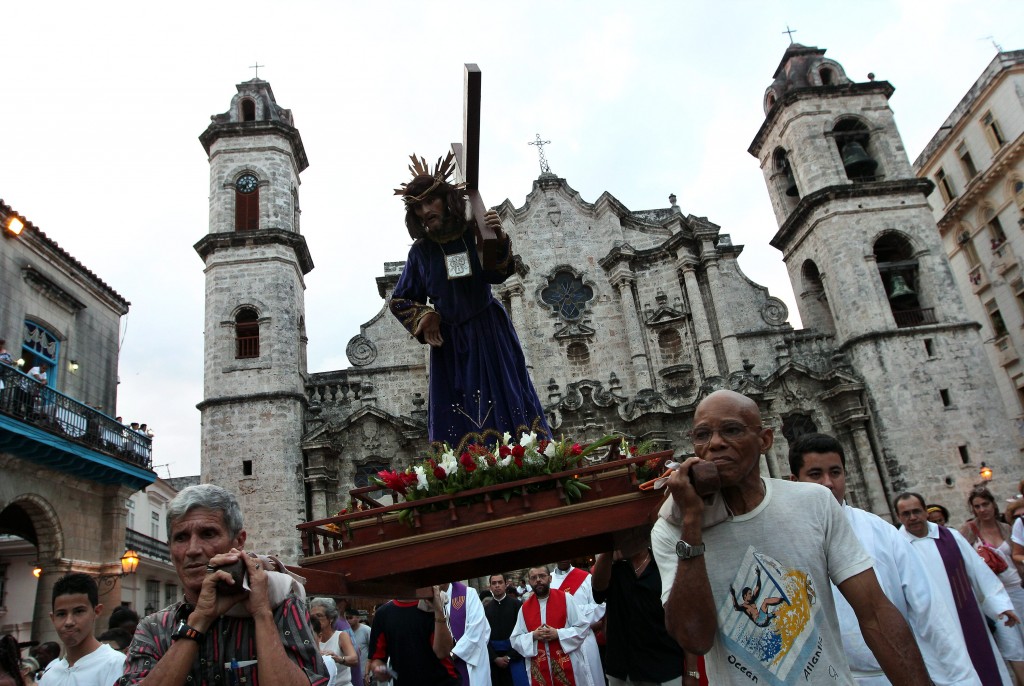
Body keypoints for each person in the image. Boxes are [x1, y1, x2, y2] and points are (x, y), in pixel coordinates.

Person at [652, 389, 930, 685]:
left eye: (732, 430)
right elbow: (694, 638)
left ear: (765, 440)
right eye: (702, 435)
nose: (715, 443)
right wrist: (692, 523)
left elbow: (874, 612)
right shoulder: (672, 530)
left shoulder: (815, 503)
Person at [789, 432, 981, 685]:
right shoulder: (786, 539)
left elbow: (929, 609)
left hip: (889, 676)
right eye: (815, 475)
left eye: (835, 472)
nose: (828, 483)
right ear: (794, 480)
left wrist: (961, 679)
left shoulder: (881, 533)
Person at [390, 153, 549, 446]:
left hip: (490, 332)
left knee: (507, 395)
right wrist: (426, 316)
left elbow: (497, 275)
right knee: (458, 411)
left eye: (430, 202)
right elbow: (399, 299)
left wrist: (497, 238)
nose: (426, 211)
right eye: (419, 208)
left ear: (445, 199)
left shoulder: (473, 232)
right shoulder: (421, 253)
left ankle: (525, 456)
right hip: (451, 343)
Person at [117, 483, 327, 686]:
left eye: (208, 534)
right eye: (180, 538)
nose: (192, 550)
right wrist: (199, 621)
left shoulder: (281, 608)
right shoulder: (154, 628)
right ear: (170, 548)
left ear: (239, 541)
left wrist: (262, 614)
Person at [896, 491, 1019, 685]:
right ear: (899, 517)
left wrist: (1000, 605)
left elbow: (979, 572)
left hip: (965, 617)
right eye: (906, 514)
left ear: (925, 512)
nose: (913, 517)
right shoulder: (897, 546)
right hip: (929, 628)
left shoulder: (950, 537)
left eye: (916, 511)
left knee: (983, 670)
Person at [592, 536, 687, 686]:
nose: (628, 537)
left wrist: (692, 670)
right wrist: (608, 546)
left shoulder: (665, 565)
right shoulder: (613, 569)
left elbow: (684, 619)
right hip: (622, 669)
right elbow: (598, 589)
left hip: (663, 667)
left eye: (633, 533)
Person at [958, 488, 1024, 684]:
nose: (982, 509)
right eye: (977, 506)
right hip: (994, 596)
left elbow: (1017, 556)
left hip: (1017, 589)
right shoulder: (968, 531)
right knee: (1014, 649)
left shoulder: (1007, 528)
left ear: (993, 504)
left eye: (985, 504)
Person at [509, 566, 593, 686]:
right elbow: (515, 639)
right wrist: (533, 635)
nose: (538, 580)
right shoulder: (524, 608)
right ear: (529, 582)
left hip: (569, 666)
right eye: (533, 577)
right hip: (540, 670)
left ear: (550, 578)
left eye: (542, 576)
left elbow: (582, 627)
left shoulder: (566, 599)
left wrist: (558, 634)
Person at [39, 573, 126, 686]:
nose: (69, 622)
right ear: (53, 618)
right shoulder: (49, 676)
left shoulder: (116, 665)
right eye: (61, 614)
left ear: (97, 611)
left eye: (79, 611)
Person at [367, 585, 460, 686]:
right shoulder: (383, 614)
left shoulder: (431, 604)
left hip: (443, 681)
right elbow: (377, 659)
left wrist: (438, 610)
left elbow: (442, 652)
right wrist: (379, 669)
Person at [549, 562, 603, 686]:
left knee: (593, 678)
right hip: (562, 639)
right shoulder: (549, 581)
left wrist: (573, 613)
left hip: (585, 637)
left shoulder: (585, 578)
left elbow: (599, 605)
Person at [483, 575, 526, 686]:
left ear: (505, 584)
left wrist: (509, 656)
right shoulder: (486, 609)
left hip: (514, 657)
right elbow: (482, 636)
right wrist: (495, 658)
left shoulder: (517, 605)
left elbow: (523, 632)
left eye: (500, 582)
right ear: (490, 587)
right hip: (494, 661)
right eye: (494, 583)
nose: (497, 586)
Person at [311, 598, 359, 686]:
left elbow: (354, 659)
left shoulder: (341, 636)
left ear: (331, 618)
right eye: (312, 617)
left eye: (319, 616)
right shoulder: (310, 639)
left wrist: (339, 659)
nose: (315, 620)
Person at [346, 609, 371, 682]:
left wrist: (368, 672)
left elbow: (373, 650)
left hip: (364, 672)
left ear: (358, 618)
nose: (348, 620)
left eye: (350, 618)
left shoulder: (366, 630)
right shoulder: (345, 631)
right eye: (346, 618)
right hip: (350, 673)